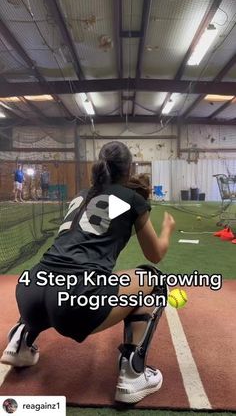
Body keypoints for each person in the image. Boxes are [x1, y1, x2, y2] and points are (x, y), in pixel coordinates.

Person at [0, 142, 175, 404]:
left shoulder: (83, 194)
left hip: (30, 291)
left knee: (55, 278)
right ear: (128, 169)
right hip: (75, 301)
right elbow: (155, 254)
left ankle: (21, 340)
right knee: (155, 281)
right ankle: (133, 373)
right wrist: (167, 229)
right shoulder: (131, 199)